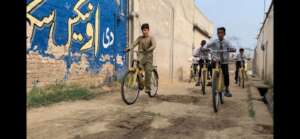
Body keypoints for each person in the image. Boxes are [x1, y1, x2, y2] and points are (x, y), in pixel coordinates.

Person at [125, 23, 156, 94]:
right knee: (136, 69)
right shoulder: (140, 38)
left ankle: (148, 88)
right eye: (143, 30)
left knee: (148, 71)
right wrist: (129, 48)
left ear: (148, 30)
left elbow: (154, 45)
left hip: (148, 58)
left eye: (146, 30)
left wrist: (149, 49)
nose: (144, 31)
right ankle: (141, 84)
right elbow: (134, 43)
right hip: (140, 58)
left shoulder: (151, 38)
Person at [206, 27, 236, 97]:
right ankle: (212, 80)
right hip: (216, 61)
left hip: (224, 61)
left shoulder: (227, 42)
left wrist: (233, 49)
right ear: (217, 34)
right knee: (209, 66)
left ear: (224, 34)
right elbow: (207, 45)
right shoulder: (214, 41)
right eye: (218, 33)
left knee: (226, 74)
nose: (220, 34)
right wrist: (204, 48)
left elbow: (233, 47)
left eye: (221, 32)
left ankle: (227, 89)